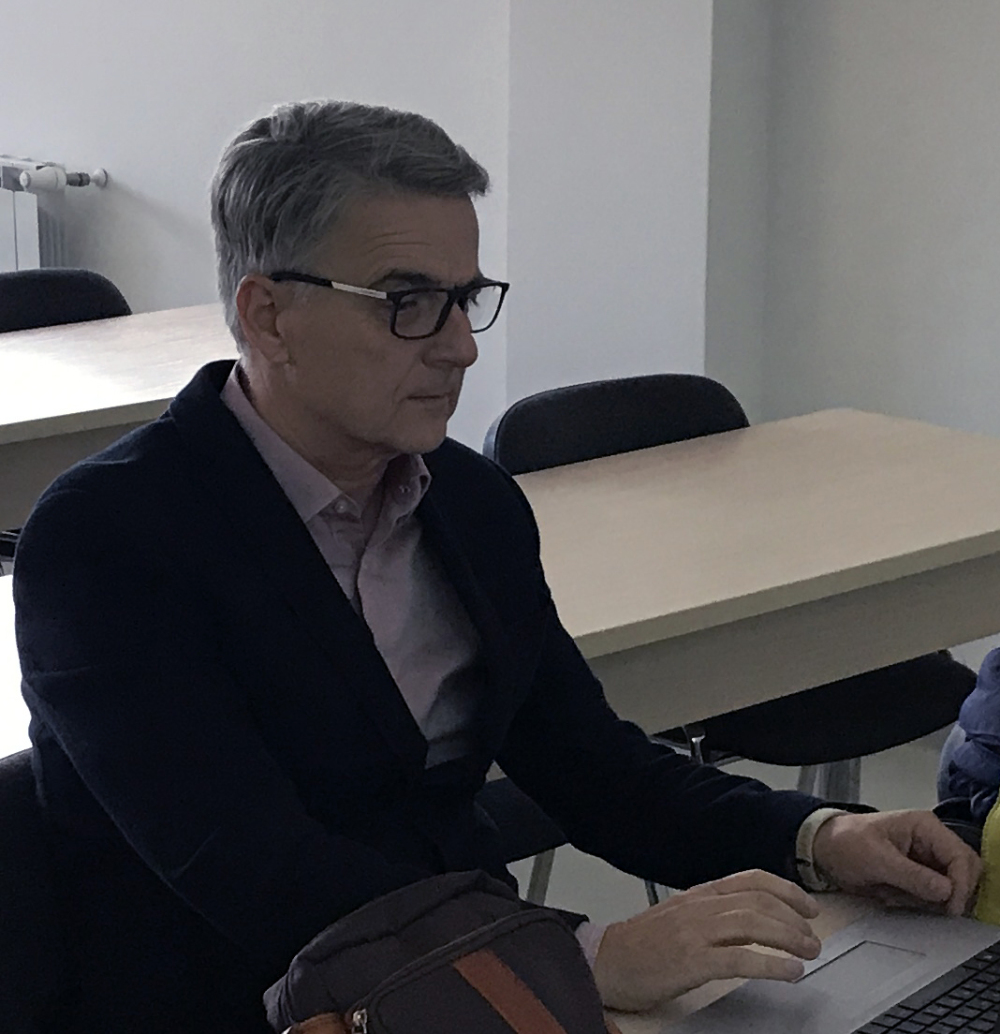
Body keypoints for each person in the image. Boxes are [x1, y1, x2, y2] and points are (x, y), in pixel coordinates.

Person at [13, 100, 980, 1034]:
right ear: (268, 316)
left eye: (466, 300)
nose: (461, 348)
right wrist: (580, 956)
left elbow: (589, 764)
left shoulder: (467, 503)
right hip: (239, 1003)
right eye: (408, 305)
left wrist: (818, 838)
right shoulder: (108, 540)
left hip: (466, 985)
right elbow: (253, 870)